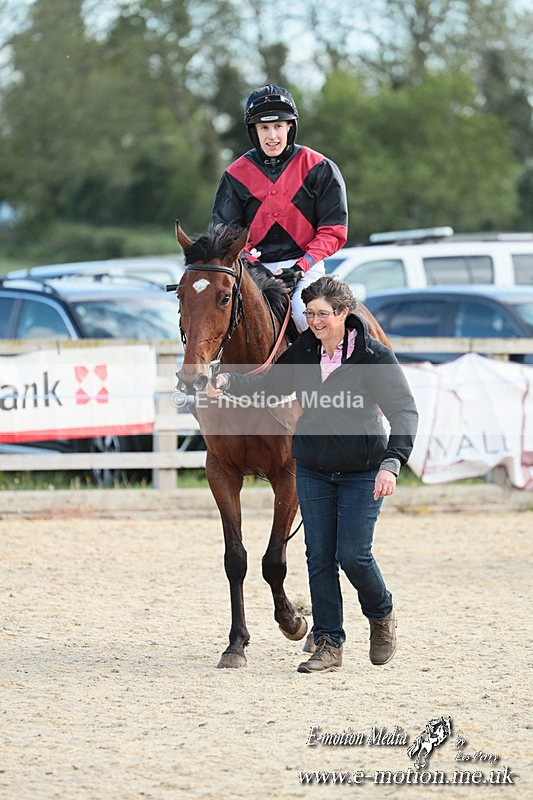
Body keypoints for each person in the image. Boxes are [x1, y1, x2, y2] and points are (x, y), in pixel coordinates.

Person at [207, 275, 418, 673]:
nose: (314, 321)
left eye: (322, 314)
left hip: (362, 469)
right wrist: (228, 380)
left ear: (343, 313)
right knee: (318, 558)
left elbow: (405, 413)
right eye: (309, 313)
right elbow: (269, 386)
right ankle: (328, 643)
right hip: (314, 469)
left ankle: (381, 613)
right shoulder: (304, 352)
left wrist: (392, 463)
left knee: (352, 555)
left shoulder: (373, 357)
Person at [212, 84, 348, 332]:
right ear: (254, 130)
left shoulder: (320, 167)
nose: (271, 135)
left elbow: (333, 230)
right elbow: (225, 236)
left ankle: (324, 370)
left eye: (278, 126)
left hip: (306, 267)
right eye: (264, 127)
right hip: (253, 270)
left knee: (303, 315)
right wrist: (256, 268)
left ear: (290, 127)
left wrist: (299, 268)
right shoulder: (234, 174)